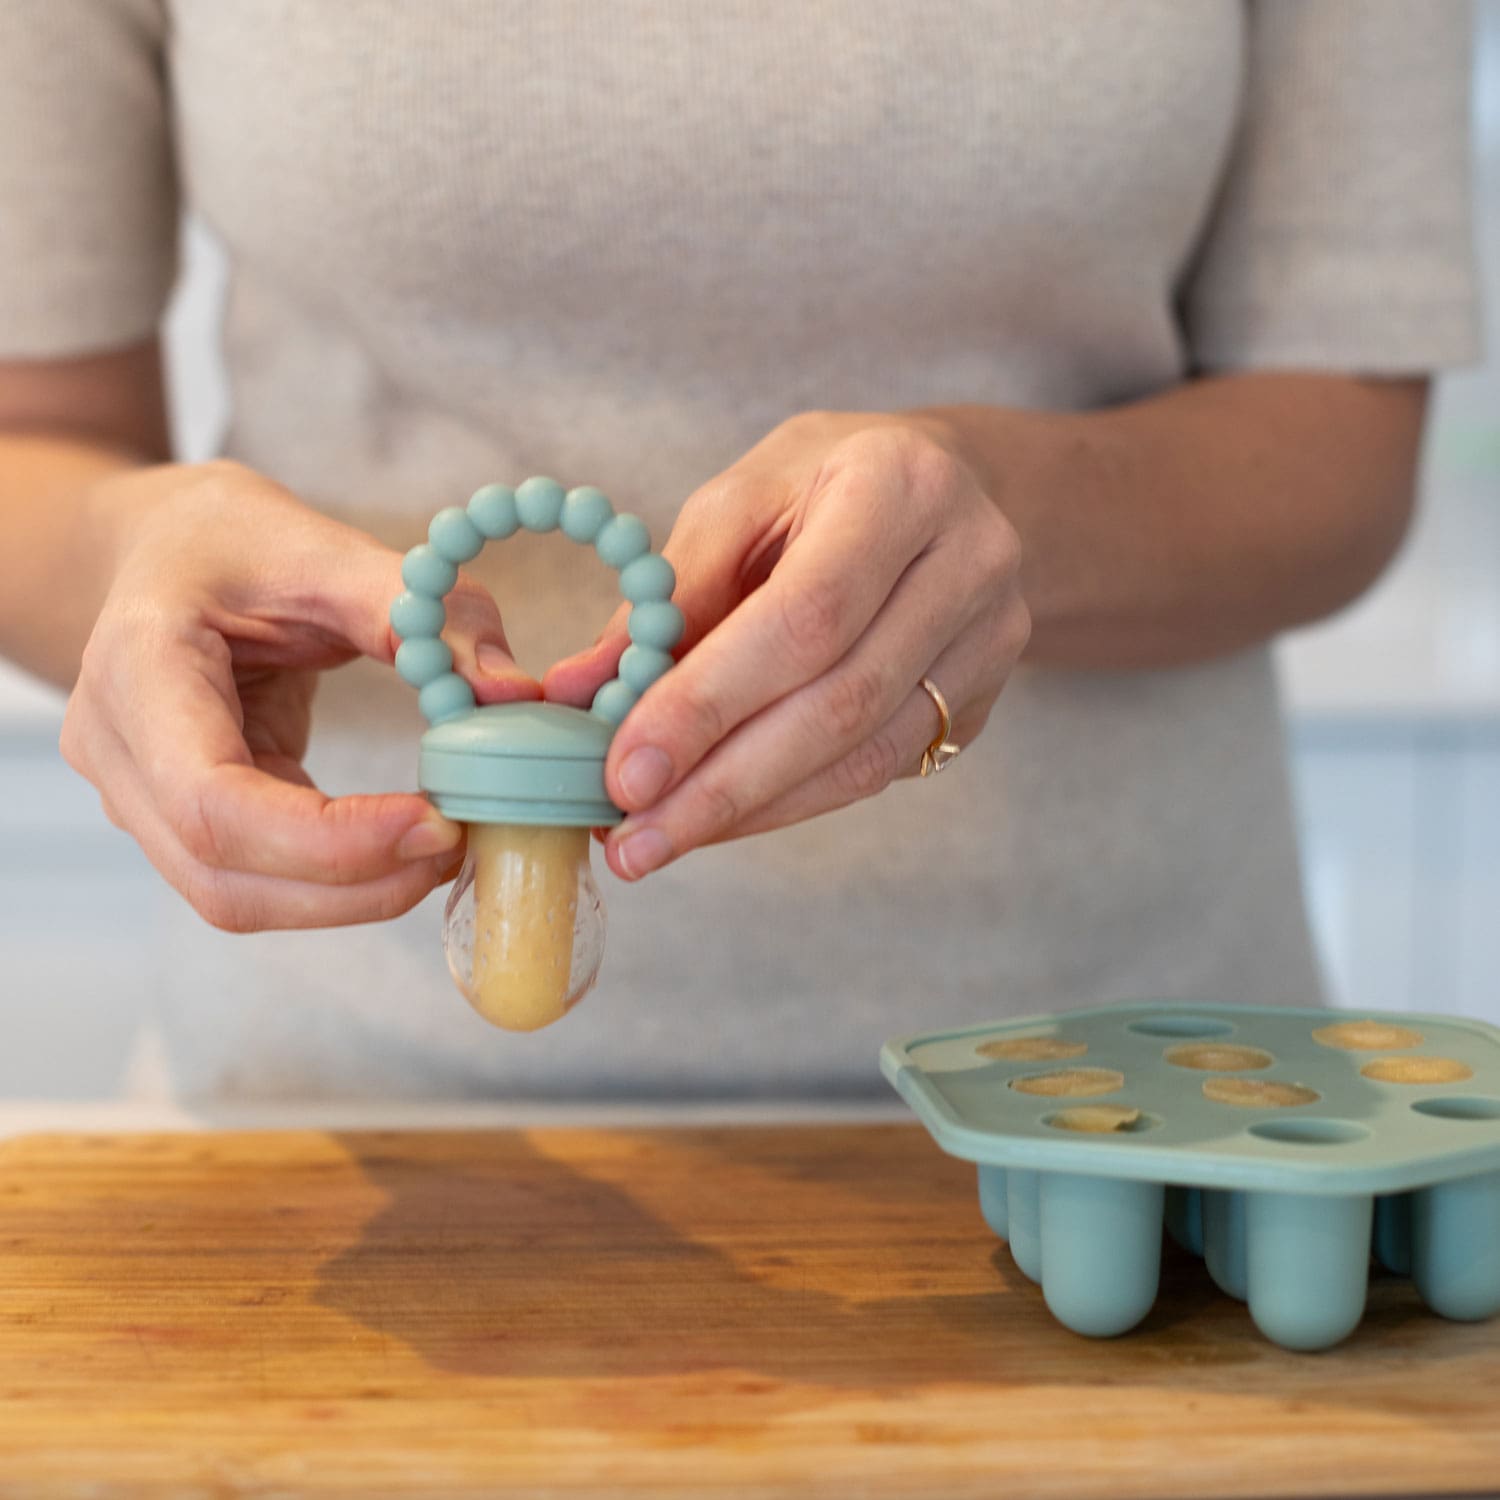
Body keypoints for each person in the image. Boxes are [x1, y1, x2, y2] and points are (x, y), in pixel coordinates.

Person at [0, 2, 1478, 1101]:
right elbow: (34, 442)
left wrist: (1007, 507)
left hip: (1112, 1109)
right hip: (336, 1124)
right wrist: (138, 552)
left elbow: (1339, 439)